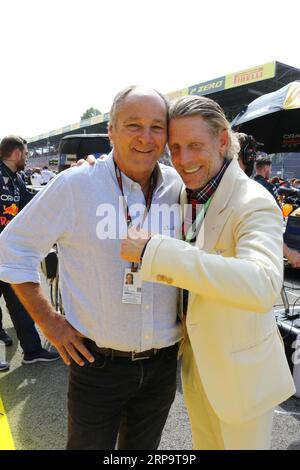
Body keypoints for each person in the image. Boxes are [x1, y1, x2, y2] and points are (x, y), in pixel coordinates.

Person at [0, 86, 183, 450]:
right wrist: (49, 322)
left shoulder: (179, 188)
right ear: (111, 130)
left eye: (156, 127)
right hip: (97, 364)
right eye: (133, 125)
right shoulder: (77, 184)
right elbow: (11, 249)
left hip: (165, 364)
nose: (146, 137)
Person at [120, 95, 295, 450]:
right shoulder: (187, 193)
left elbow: (262, 284)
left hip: (241, 378)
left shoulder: (254, 201)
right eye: (176, 148)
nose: (183, 160)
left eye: (195, 145)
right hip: (197, 367)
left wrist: (155, 251)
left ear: (223, 141)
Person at [0, 136, 60, 366]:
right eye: (25, 153)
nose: (27, 157)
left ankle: (33, 351)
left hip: (10, 252)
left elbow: (32, 204)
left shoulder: (16, 179)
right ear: (16, 153)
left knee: (19, 301)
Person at [254, 155, 300, 268]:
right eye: (269, 169)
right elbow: (277, 212)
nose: (270, 171)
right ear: (265, 169)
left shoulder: (247, 184)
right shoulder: (269, 187)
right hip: (267, 235)